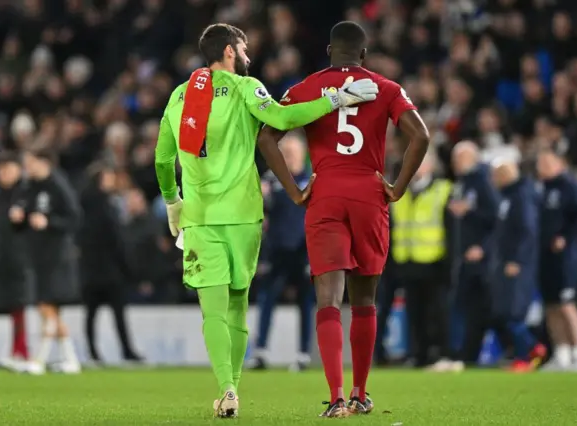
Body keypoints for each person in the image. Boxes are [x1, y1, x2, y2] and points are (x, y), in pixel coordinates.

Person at [154, 23, 377, 418]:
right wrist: (335, 99)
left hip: (199, 218)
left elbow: (161, 159)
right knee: (239, 304)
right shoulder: (245, 88)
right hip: (242, 216)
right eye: (243, 49)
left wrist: (173, 200)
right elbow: (283, 118)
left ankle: (227, 388)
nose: (248, 57)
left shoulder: (179, 95)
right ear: (228, 53)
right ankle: (233, 388)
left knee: (214, 310)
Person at [257, 21, 430, 417]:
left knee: (327, 299)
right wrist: (398, 186)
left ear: (329, 52)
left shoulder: (305, 88)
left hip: (325, 193)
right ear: (364, 55)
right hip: (370, 194)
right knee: (365, 299)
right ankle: (360, 392)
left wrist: (295, 190)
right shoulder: (387, 88)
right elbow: (420, 135)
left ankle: (335, 397)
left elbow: (267, 137)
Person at [249, 134, 314, 372]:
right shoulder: (271, 179)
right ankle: (261, 352)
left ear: (302, 153)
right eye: (285, 152)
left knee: (305, 303)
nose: (288, 156)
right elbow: (261, 213)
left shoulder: (311, 179)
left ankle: (303, 353)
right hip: (276, 249)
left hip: (303, 250)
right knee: (267, 299)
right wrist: (261, 196)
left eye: (292, 152)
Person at [390, 151, 453, 370]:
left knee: (438, 311)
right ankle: (418, 355)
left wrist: (450, 262)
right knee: (414, 313)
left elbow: (451, 229)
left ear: (429, 167)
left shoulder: (443, 189)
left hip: (435, 261)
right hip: (408, 261)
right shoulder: (401, 190)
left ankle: (442, 354)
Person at [23, 147, 83, 375]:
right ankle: (71, 360)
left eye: (30, 162)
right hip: (39, 255)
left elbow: (75, 218)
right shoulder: (31, 187)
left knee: (47, 306)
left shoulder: (59, 185)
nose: (27, 167)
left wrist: (49, 222)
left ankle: (40, 359)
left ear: (44, 162)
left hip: (57, 257)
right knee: (50, 310)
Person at [79, 162, 142, 364]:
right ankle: (125, 350)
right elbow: (116, 240)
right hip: (107, 269)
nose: (111, 181)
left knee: (92, 314)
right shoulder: (105, 206)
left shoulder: (88, 205)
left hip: (93, 269)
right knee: (115, 313)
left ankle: (94, 352)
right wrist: (127, 267)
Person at [489, 159, 546, 372]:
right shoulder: (509, 196)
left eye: (496, 175)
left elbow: (528, 230)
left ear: (506, 174)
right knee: (504, 311)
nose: (493, 180)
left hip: (518, 265)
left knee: (513, 313)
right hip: (505, 264)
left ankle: (529, 352)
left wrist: (518, 260)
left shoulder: (522, 195)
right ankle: (528, 350)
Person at [537, 149, 577, 372]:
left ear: (561, 163)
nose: (543, 167)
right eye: (541, 163)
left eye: (548, 162)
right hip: (546, 255)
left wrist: (566, 238)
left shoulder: (571, 186)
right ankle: (561, 354)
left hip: (567, 256)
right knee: (551, 306)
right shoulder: (542, 189)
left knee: (567, 305)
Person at [0, 151, 34, 371]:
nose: (4, 174)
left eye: (8, 169)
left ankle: (21, 351)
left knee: (18, 306)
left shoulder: (28, 196)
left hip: (21, 261)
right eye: (0, 169)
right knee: (4, 306)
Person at [448, 141, 499, 367]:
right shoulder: (463, 183)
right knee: (470, 308)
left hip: (482, 258)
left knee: (485, 307)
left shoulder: (483, 181)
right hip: (465, 257)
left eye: (459, 158)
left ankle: (520, 347)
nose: (455, 163)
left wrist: (483, 247)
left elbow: (497, 218)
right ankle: (467, 355)